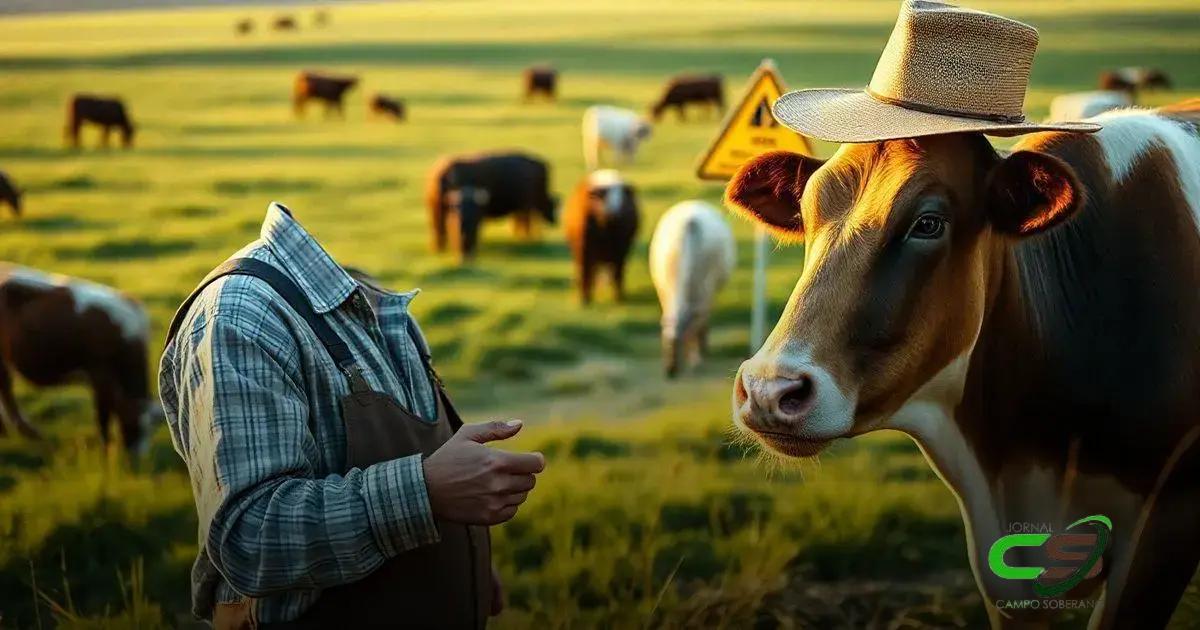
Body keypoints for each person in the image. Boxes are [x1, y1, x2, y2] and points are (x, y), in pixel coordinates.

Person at [160, 202, 544, 629]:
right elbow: (250, 539)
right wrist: (425, 491)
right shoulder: (242, 318)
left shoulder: (356, 295)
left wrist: (464, 556)